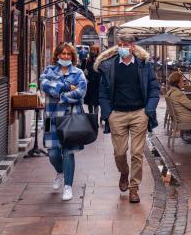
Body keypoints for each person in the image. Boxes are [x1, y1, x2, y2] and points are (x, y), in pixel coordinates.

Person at [95, 34, 160, 203]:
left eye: (125, 45)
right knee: (119, 153)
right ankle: (124, 172)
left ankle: (134, 188)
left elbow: (154, 88)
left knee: (137, 153)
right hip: (117, 114)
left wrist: (149, 110)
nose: (122, 48)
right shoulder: (109, 66)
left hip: (139, 113)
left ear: (132, 47)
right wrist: (108, 114)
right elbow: (102, 93)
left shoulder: (143, 65)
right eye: (120, 45)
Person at [40, 42, 87, 201]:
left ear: (72, 57)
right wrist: (67, 87)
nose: (65, 56)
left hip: (70, 119)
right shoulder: (49, 70)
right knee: (53, 154)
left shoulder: (78, 73)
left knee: (68, 153)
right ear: (58, 55)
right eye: (63, 53)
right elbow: (44, 85)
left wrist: (61, 95)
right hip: (50, 118)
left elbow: (81, 92)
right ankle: (60, 172)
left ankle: (68, 186)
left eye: (68, 54)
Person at [84, 46, 101, 114]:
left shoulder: (100, 61)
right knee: (90, 103)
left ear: (97, 51)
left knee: (96, 104)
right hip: (90, 84)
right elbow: (83, 70)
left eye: (95, 50)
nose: (93, 51)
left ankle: (96, 120)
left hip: (98, 85)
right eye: (92, 50)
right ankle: (91, 118)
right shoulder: (87, 60)